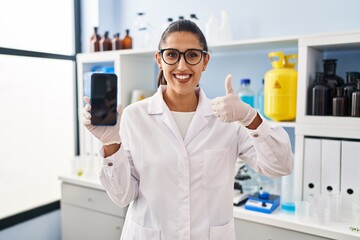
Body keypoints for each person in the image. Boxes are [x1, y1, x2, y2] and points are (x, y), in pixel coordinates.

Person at [83, 19, 293, 240]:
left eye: (192, 55)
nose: (182, 66)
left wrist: (251, 118)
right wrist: (110, 144)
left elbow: (280, 166)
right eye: (172, 55)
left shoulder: (229, 119)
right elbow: (122, 196)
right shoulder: (134, 116)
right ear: (159, 60)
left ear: (205, 61)